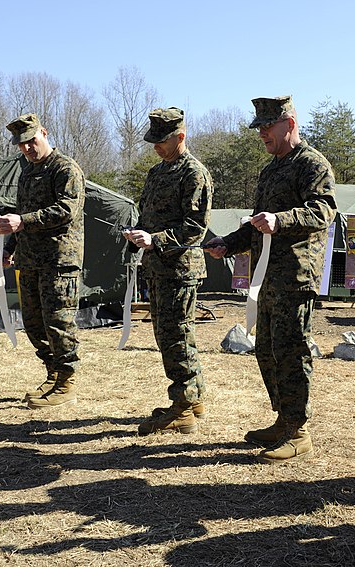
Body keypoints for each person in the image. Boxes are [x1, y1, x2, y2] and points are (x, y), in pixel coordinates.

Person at [206, 96, 336, 463]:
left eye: (268, 126)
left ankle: (299, 431)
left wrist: (283, 220)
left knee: (291, 351)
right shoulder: (270, 170)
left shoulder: (312, 164)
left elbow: (323, 210)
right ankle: (283, 419)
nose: (261, 133)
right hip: (266, 276)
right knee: (267, 349)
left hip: (295, 275)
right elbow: (257, 224)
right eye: (259, 127)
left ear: (289, 124)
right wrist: (227, 244)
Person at [124, 107, 213, 435]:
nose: (156, 147)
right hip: (157, 268)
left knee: (175, 336)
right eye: (153, 141)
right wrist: (135, 235)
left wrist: (155, 238)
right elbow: (147, 217)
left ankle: (182, 408)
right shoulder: (157, 173)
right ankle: (195, 396)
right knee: (170, 335)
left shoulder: (194, 173)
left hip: (180, 269)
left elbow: (194, 228)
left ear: (181, 136)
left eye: (162, 141)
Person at [0, 113, 85, 409]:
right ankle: (53, 374)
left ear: (44, 133)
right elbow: (21, 215)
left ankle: (67, 381)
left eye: (32, 141)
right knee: (35, 325)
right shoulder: (27, 173)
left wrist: (21, 221)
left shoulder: (65, 169)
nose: (27, 149)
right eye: (21, 145)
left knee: (59, 323)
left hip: (59, 261)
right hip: (30, 261)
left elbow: (65, 210)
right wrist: (9, 248)